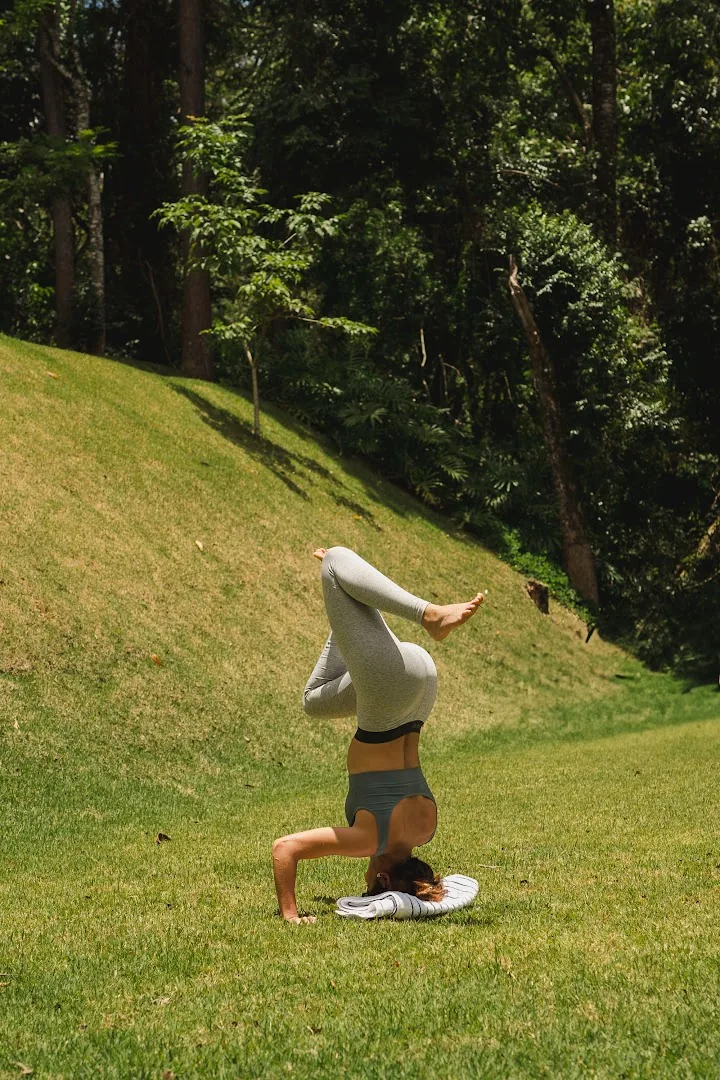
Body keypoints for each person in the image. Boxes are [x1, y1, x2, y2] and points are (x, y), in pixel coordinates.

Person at [272, 546, 484, 924]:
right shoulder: (369, 840)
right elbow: (284, 849)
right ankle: (430, 614)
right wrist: (291, 913)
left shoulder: (426, 827)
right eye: (370, 882)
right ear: (383, 878)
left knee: (313, 702)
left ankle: (350, 595)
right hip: (390, 695)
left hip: (419, 691)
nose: (364, 877)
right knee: (336, 559)